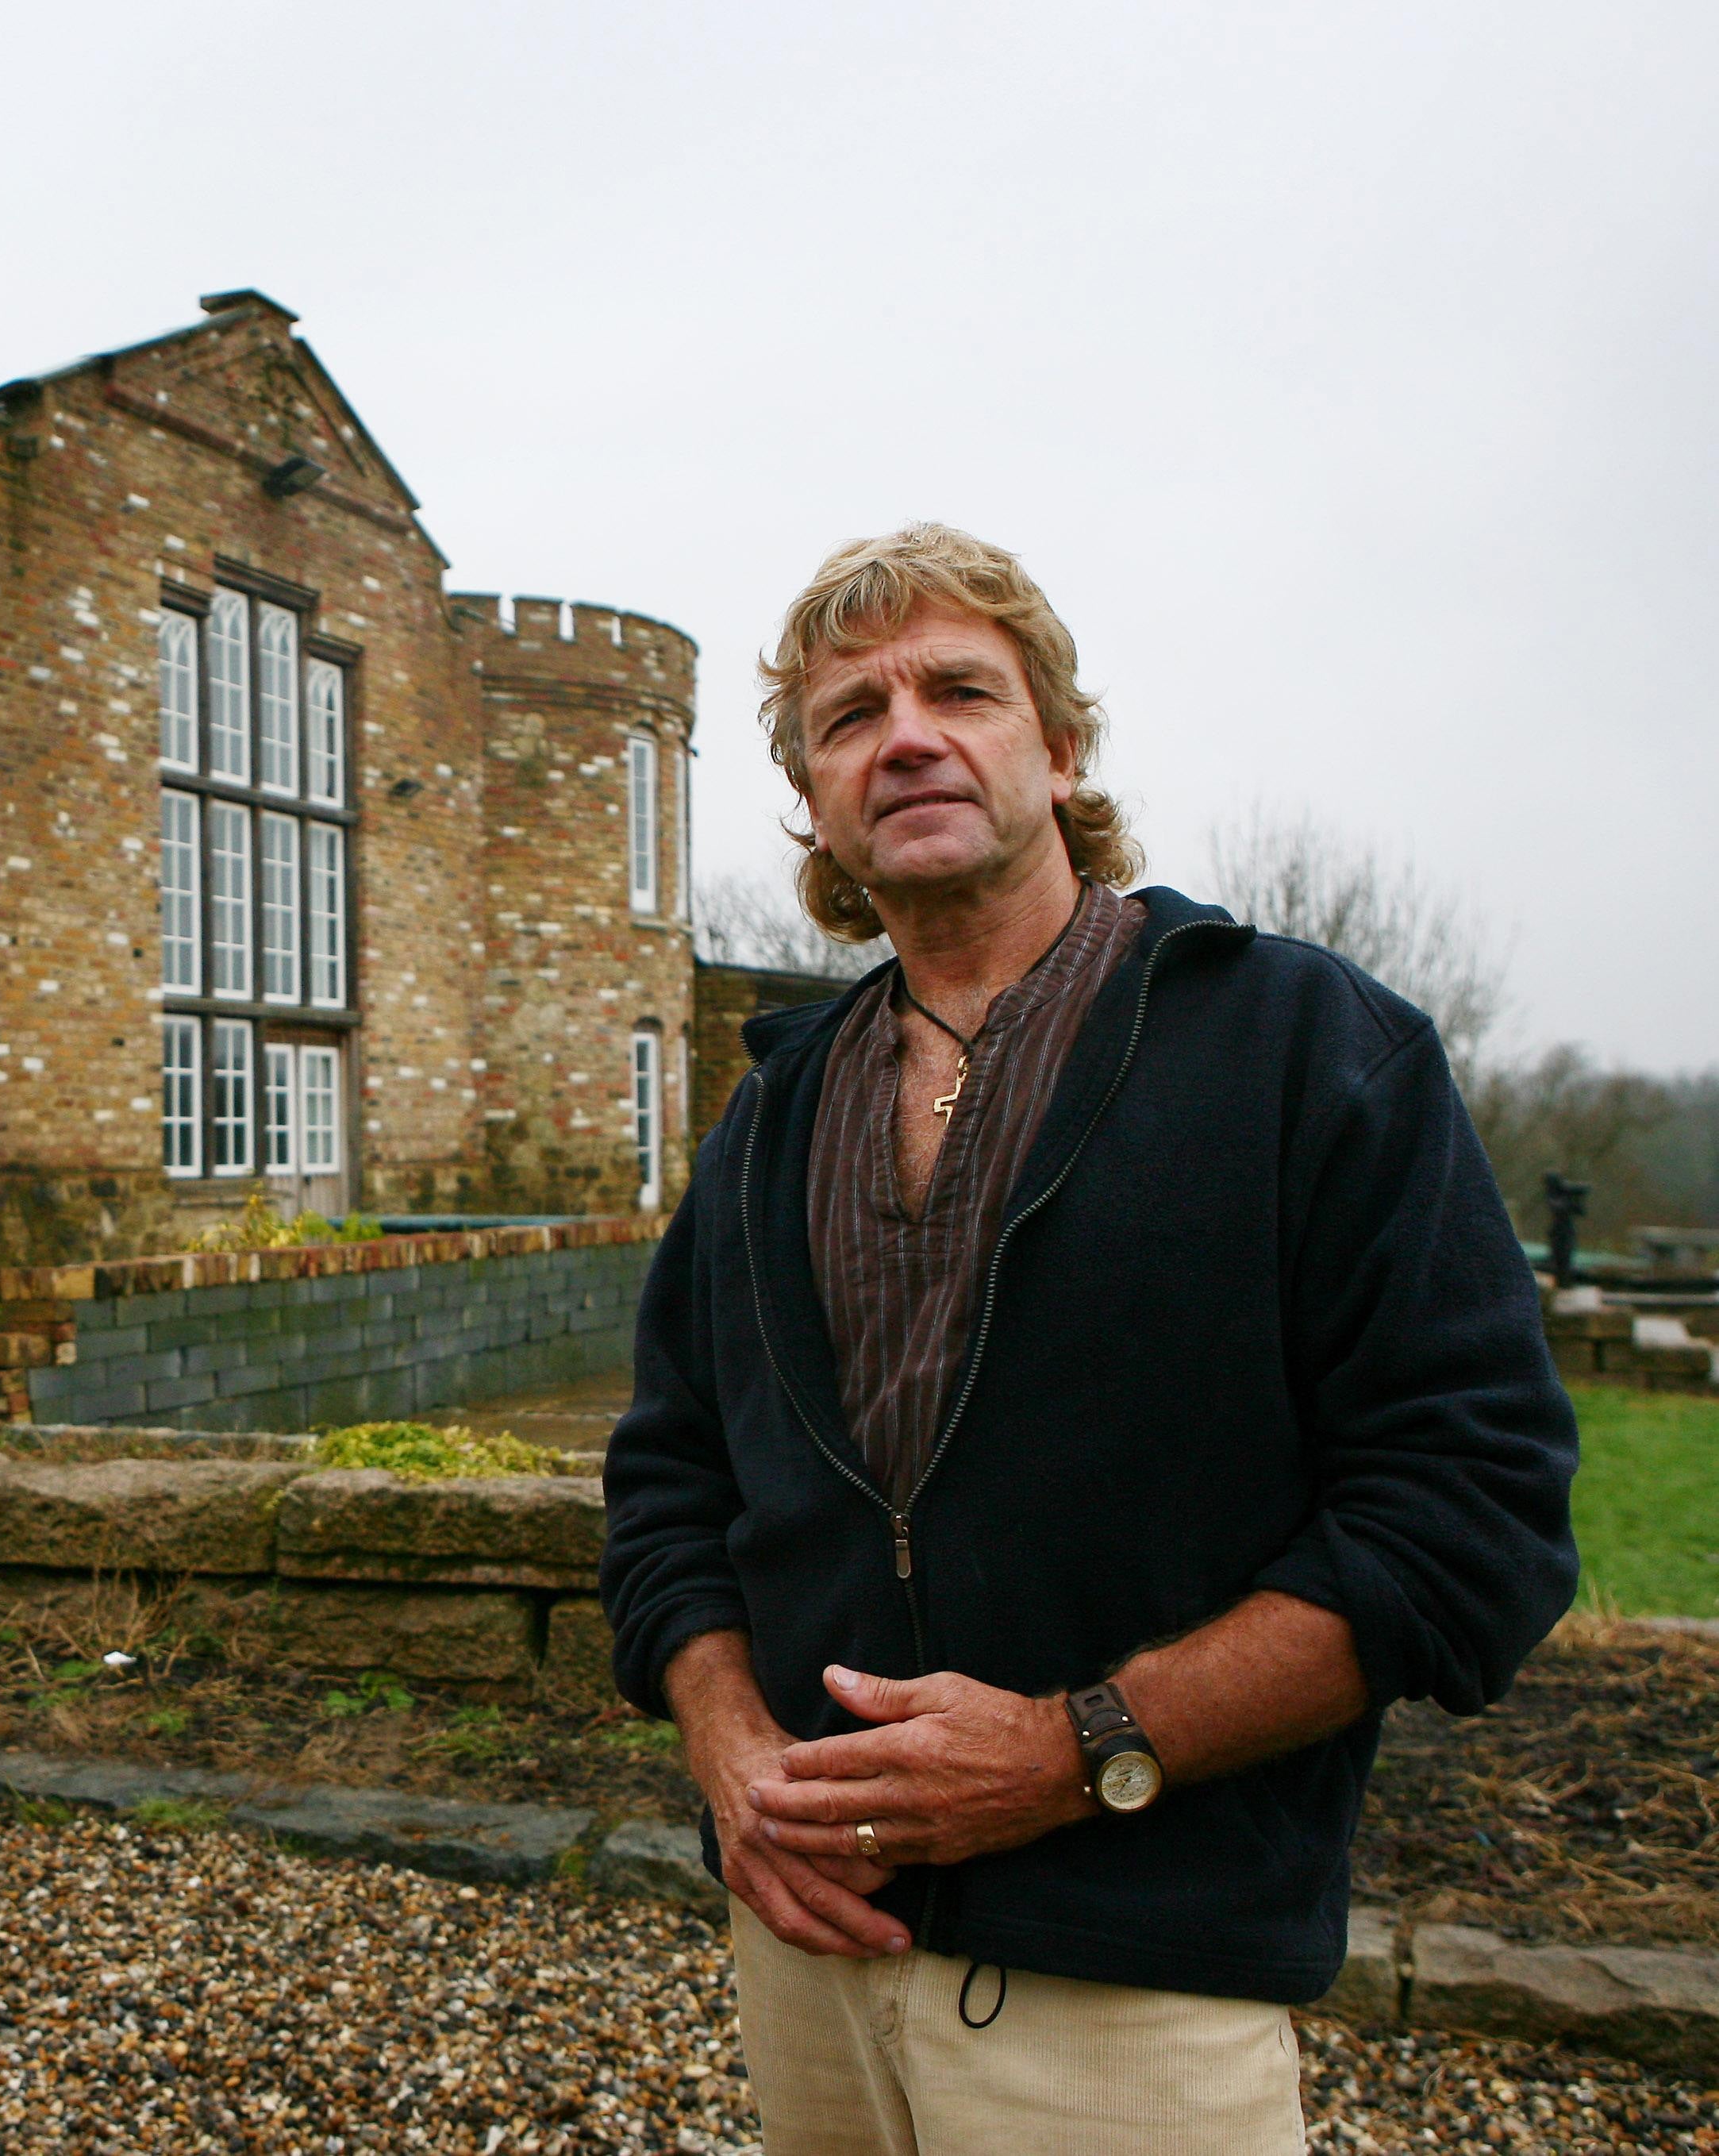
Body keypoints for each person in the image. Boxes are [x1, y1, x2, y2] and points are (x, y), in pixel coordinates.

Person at [599, 524, 1576, 2153]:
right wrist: (731, 1752)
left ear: (1056, 747)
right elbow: (668, 1484)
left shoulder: (1304, 1047)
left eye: (958, 689)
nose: (904, 732)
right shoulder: (769, 1114)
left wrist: (1078, 1745)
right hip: (810, 1952)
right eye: (848, 716)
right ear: (817, 803)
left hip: (1137, 1977)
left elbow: (1469, 1521)